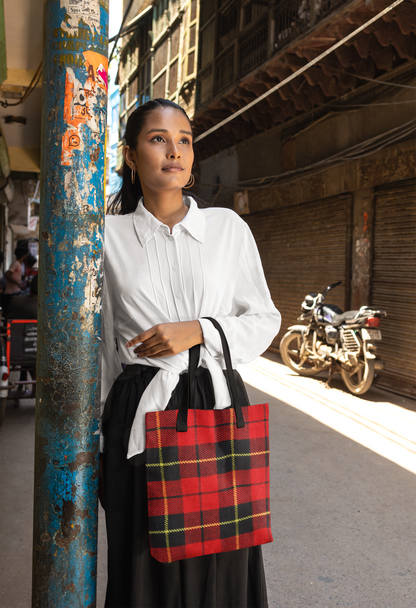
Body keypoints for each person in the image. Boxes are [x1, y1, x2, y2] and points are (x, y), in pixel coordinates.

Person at [100, 98, 281, 608]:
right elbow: (101, 345)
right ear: (131, 156)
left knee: (221, 551)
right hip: (139, 404)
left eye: (184, 139)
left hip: (216, 400)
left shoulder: (227, 229)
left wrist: (198, 330)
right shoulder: (105, 238)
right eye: (158, 139)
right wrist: (96, 433)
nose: (174, 150)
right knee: (142, 553)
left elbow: (264, 319)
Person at [1, 246, 28, 316]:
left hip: (15, 291)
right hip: (10, 292)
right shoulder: (16, 264)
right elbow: (7, 275)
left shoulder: (20, 264)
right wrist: (19, 284)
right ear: (24, 255)